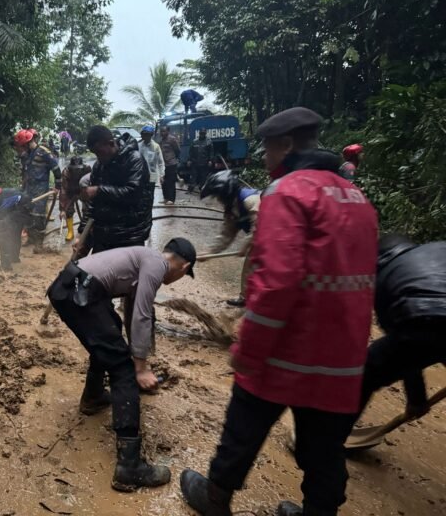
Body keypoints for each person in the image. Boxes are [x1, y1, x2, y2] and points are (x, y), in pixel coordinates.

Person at [180, 107, 378, 516]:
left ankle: (215, 498)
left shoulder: (286, 193)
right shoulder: (356, 197)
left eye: (268, 148)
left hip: (287, 348)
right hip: (343, 352)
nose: (265, 158)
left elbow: (276, 284)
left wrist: (249, 349)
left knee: (244, 425)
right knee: (323, 446)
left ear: (286, 145)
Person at [48, 238, 197, 491]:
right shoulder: (157, 264)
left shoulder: (145, 258)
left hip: (71, 288)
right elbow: (142, 315)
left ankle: (93, 397)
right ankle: (129, 466)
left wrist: (136, 353)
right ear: (184, 267)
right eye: (185, 274)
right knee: (123, 369)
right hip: (79, 292)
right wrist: (139, 368)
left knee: (112, 337)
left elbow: (131, 313)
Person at [358, 234, 446, 421]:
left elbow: (406, 351)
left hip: (427, 320)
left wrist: (416, 400)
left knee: (366, 372)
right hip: (433, 322)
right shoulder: (437, 249)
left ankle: (329, 435)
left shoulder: (386, 275)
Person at [76, 125, 152, 254]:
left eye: (100, 152)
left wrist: (98, 190)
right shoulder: (99, 166)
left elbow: (133, 194)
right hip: (104, 235)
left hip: (130, 235)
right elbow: (93, 205)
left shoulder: (135, 160)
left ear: (111, 144)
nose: (98, 157)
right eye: (95, 154)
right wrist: (82, 234)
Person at [198, 170, 260, 307]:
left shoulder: (250, 200)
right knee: (250, 265)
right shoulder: (231, 209)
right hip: (259, 239)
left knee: (257, 264)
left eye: (218, 196)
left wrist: (246, 245)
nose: (218, 200)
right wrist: (209, 251)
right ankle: (246, 298)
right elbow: (226, 235)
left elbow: (260, 226)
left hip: (276, 235)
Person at [13, 129, 62, 250]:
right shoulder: (26, 155)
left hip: (41, 188)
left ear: (28, 142)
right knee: (27, 213)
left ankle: (39, 243)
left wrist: (57, 186)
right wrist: (23, 186)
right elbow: (25, 172)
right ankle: (31, 238)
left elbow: (56, 169)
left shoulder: (44, 152)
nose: (22, 148)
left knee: (38, 215)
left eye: (23, 145)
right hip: (28, 188)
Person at [59, 156, 92, 241]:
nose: (76, 171)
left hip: (83, 190)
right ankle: (70, 231)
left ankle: (85, 230)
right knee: (68, 210)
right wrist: (63, 209)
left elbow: (92, 184)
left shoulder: (87, 169)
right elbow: (63, 189)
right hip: (70, 191)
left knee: (87, 209)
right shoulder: (66, 171)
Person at [139, 125, 165, 205]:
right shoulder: (139, 146)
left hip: (152, 174)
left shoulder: (156, 146)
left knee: (150, 194)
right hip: (140, 174)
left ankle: (149, 210)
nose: (144, 136)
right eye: (143, 134)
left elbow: (160, 162)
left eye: (147, 134)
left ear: (151, 135)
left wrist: (162, 175)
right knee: (141, 194)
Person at [158, 125, 180, 205]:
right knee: (164, 182)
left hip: (171, 164)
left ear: (168, 131)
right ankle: (166, 198)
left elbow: (177, 150)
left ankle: (171, 199)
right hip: (163, 165)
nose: (162, 133)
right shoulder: (161, 141)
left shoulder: (172, 139)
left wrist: (173, 158)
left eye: (164, 131)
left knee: (171, 182)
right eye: (161, 131)